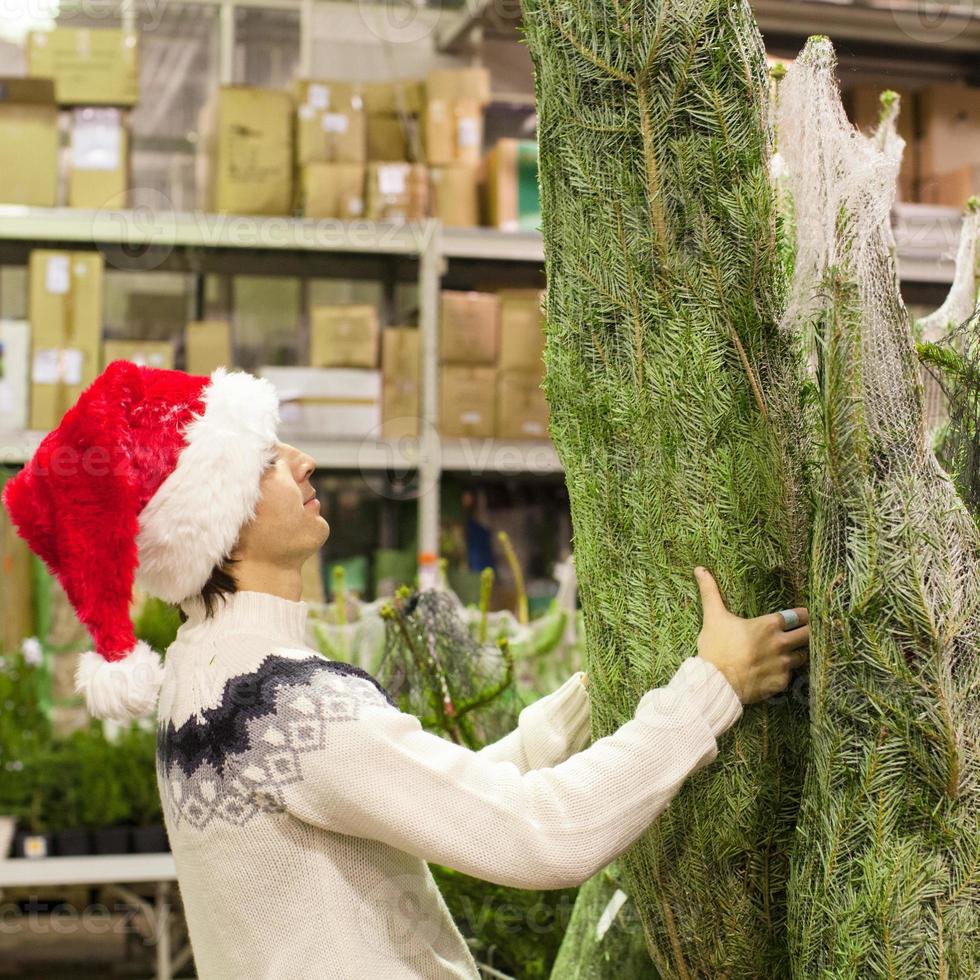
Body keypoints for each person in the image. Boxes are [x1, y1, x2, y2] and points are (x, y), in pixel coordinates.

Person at [2, 360, 809, 979]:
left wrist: (583, 705)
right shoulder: (285, 706)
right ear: (217, 520)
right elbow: (539, 836)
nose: (304, 460)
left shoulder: (200, 681)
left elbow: (413, 800)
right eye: (267, 461)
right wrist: (711, 690)